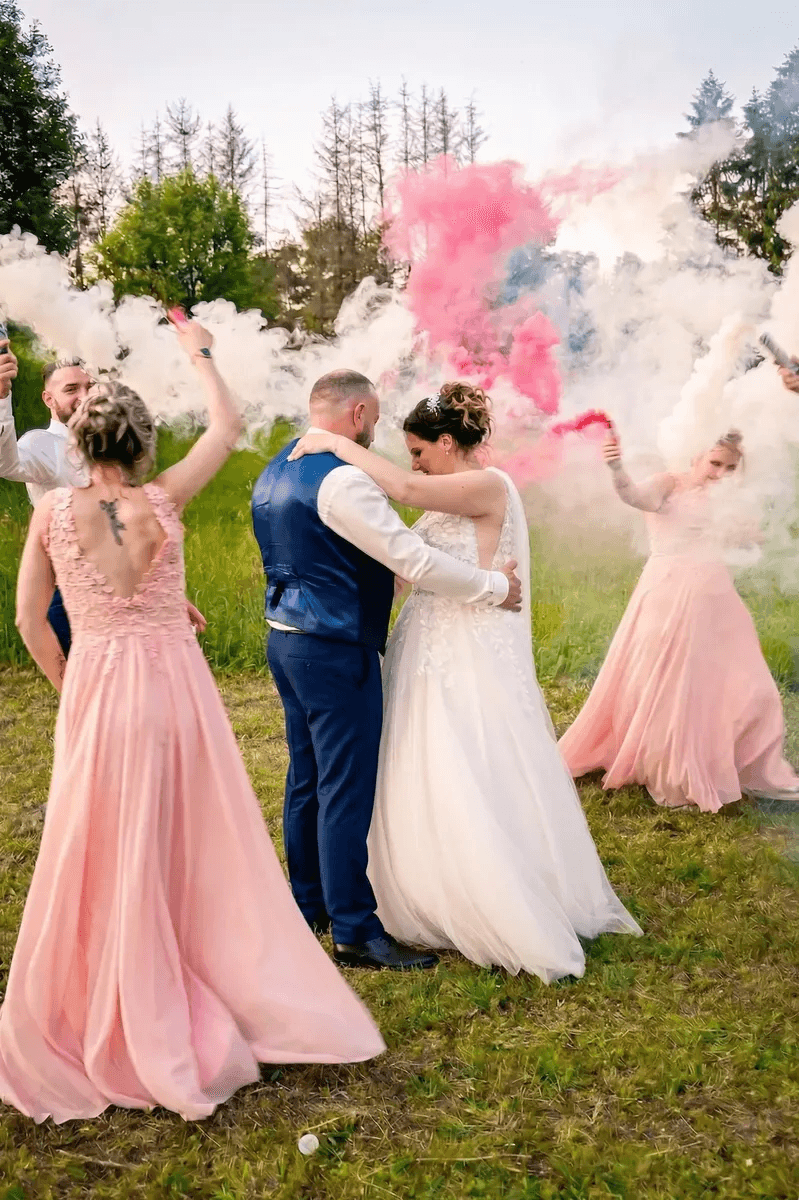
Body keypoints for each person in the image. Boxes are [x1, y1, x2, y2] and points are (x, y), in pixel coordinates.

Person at [1, 321, 384, 1126]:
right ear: (142, 442)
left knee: (101, 838)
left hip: (100, 686)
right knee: (188, 833)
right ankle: (193, 962)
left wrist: (70, 686)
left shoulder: (51, 518)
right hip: (174, 687)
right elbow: (228, 426)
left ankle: (119, 982)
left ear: (76, 441)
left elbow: (31, 621)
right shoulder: (163, 499)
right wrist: (198, 351)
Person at [287, 383, 641, 982]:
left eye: (420, 451)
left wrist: (327, 442)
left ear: (448, 443)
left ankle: (490, 892)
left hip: (467, 645)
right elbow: (408, 564)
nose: (414, 462)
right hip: (424, 641)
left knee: (465, 759)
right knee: (417, 762)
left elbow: (402, 489)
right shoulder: (442, 503)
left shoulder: (488, 485)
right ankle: (423, 884)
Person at [251, 371, 524, 972]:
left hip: (286, 640)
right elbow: (410, 556)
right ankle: (354, 929)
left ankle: (308, 904)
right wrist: (491, 586)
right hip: (333, 646)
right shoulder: (345, 479)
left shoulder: (275, 469)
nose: (375, 429)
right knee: (344, 790)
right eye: (372, 419)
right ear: (358, 412)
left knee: (307, 779)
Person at [558, 427, 799, 812]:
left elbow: (750, 540)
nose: (720, 473)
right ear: (696, 457)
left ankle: (739, 758)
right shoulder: (669, 483)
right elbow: (634, 497)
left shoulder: (728, 499)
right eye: (715, 463)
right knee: (669, 681)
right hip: (669, 592)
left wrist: (746, 533)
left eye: (730, 468)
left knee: (750, 683)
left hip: (716, 599)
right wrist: (617, 468)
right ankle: (670, 762)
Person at [0, 342, 205, 650]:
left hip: (129, 591)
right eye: (71, 389)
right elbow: (7, 462)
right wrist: (2, 397)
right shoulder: (42, 445)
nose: (84, 397)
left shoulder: (111, 447)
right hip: (73, 595)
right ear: (48, 399)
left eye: (90, 386)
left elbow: (129, 532)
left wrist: (165, 596)